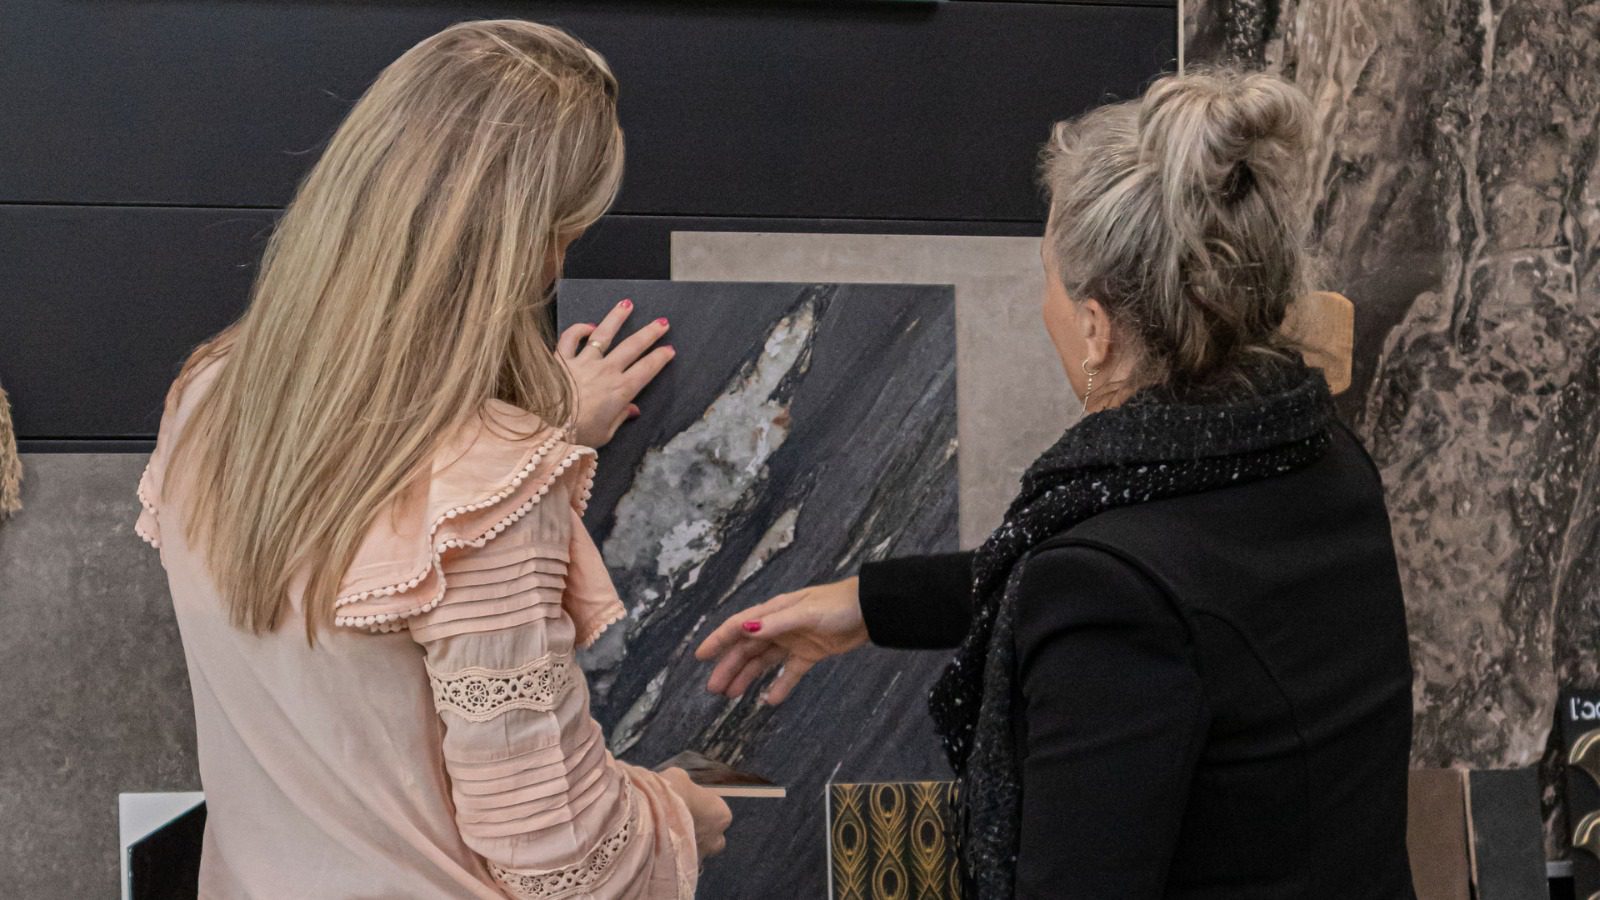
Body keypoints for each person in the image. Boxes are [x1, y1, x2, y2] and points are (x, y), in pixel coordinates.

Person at [697, 69, 1415, 899]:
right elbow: (1173, 592)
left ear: (1096, 327)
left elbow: (1119, 599)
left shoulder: (1113, 585)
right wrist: (871, 603)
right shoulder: (1315, 456)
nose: (1043, 303)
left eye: (1047, 276)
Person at [134, 21, 729, 898]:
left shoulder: (211, 396)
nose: (557, 264)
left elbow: (368, 499)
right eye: (565, 233)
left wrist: (543, 429)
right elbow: (560, 864)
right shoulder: (488, 489)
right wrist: (677, 814)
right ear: (525, 242)